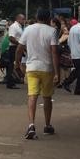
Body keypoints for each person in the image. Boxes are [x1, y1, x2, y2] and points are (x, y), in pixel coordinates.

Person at [15, 9, 60, 139]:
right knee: (47, 98)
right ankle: (47, 125)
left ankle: (31, 125)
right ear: (48, 18)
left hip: (32, 68)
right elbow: (54, 53)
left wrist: (17, 62)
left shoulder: (28, 29)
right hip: (47, 69)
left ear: (36, 17)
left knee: (32, 96)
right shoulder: (52, 31)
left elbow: (20, 48)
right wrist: (57, 72)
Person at [61, 9, 80, 94]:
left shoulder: (73, 28)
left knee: (78, 70)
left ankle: (66, 82)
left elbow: (69, 42)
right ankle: (78, 90)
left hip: (74, 54)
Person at [0, 13, 26, 89]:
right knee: (12, 65)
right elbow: (11, 38)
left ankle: (12, 81)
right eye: (23, 19)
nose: (24, 21)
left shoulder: (19, 27)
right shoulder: (14, 26)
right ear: (18, 19)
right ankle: (10, 83)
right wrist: (19, 44)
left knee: (14, 65)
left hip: (17, 47)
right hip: (14, 47)